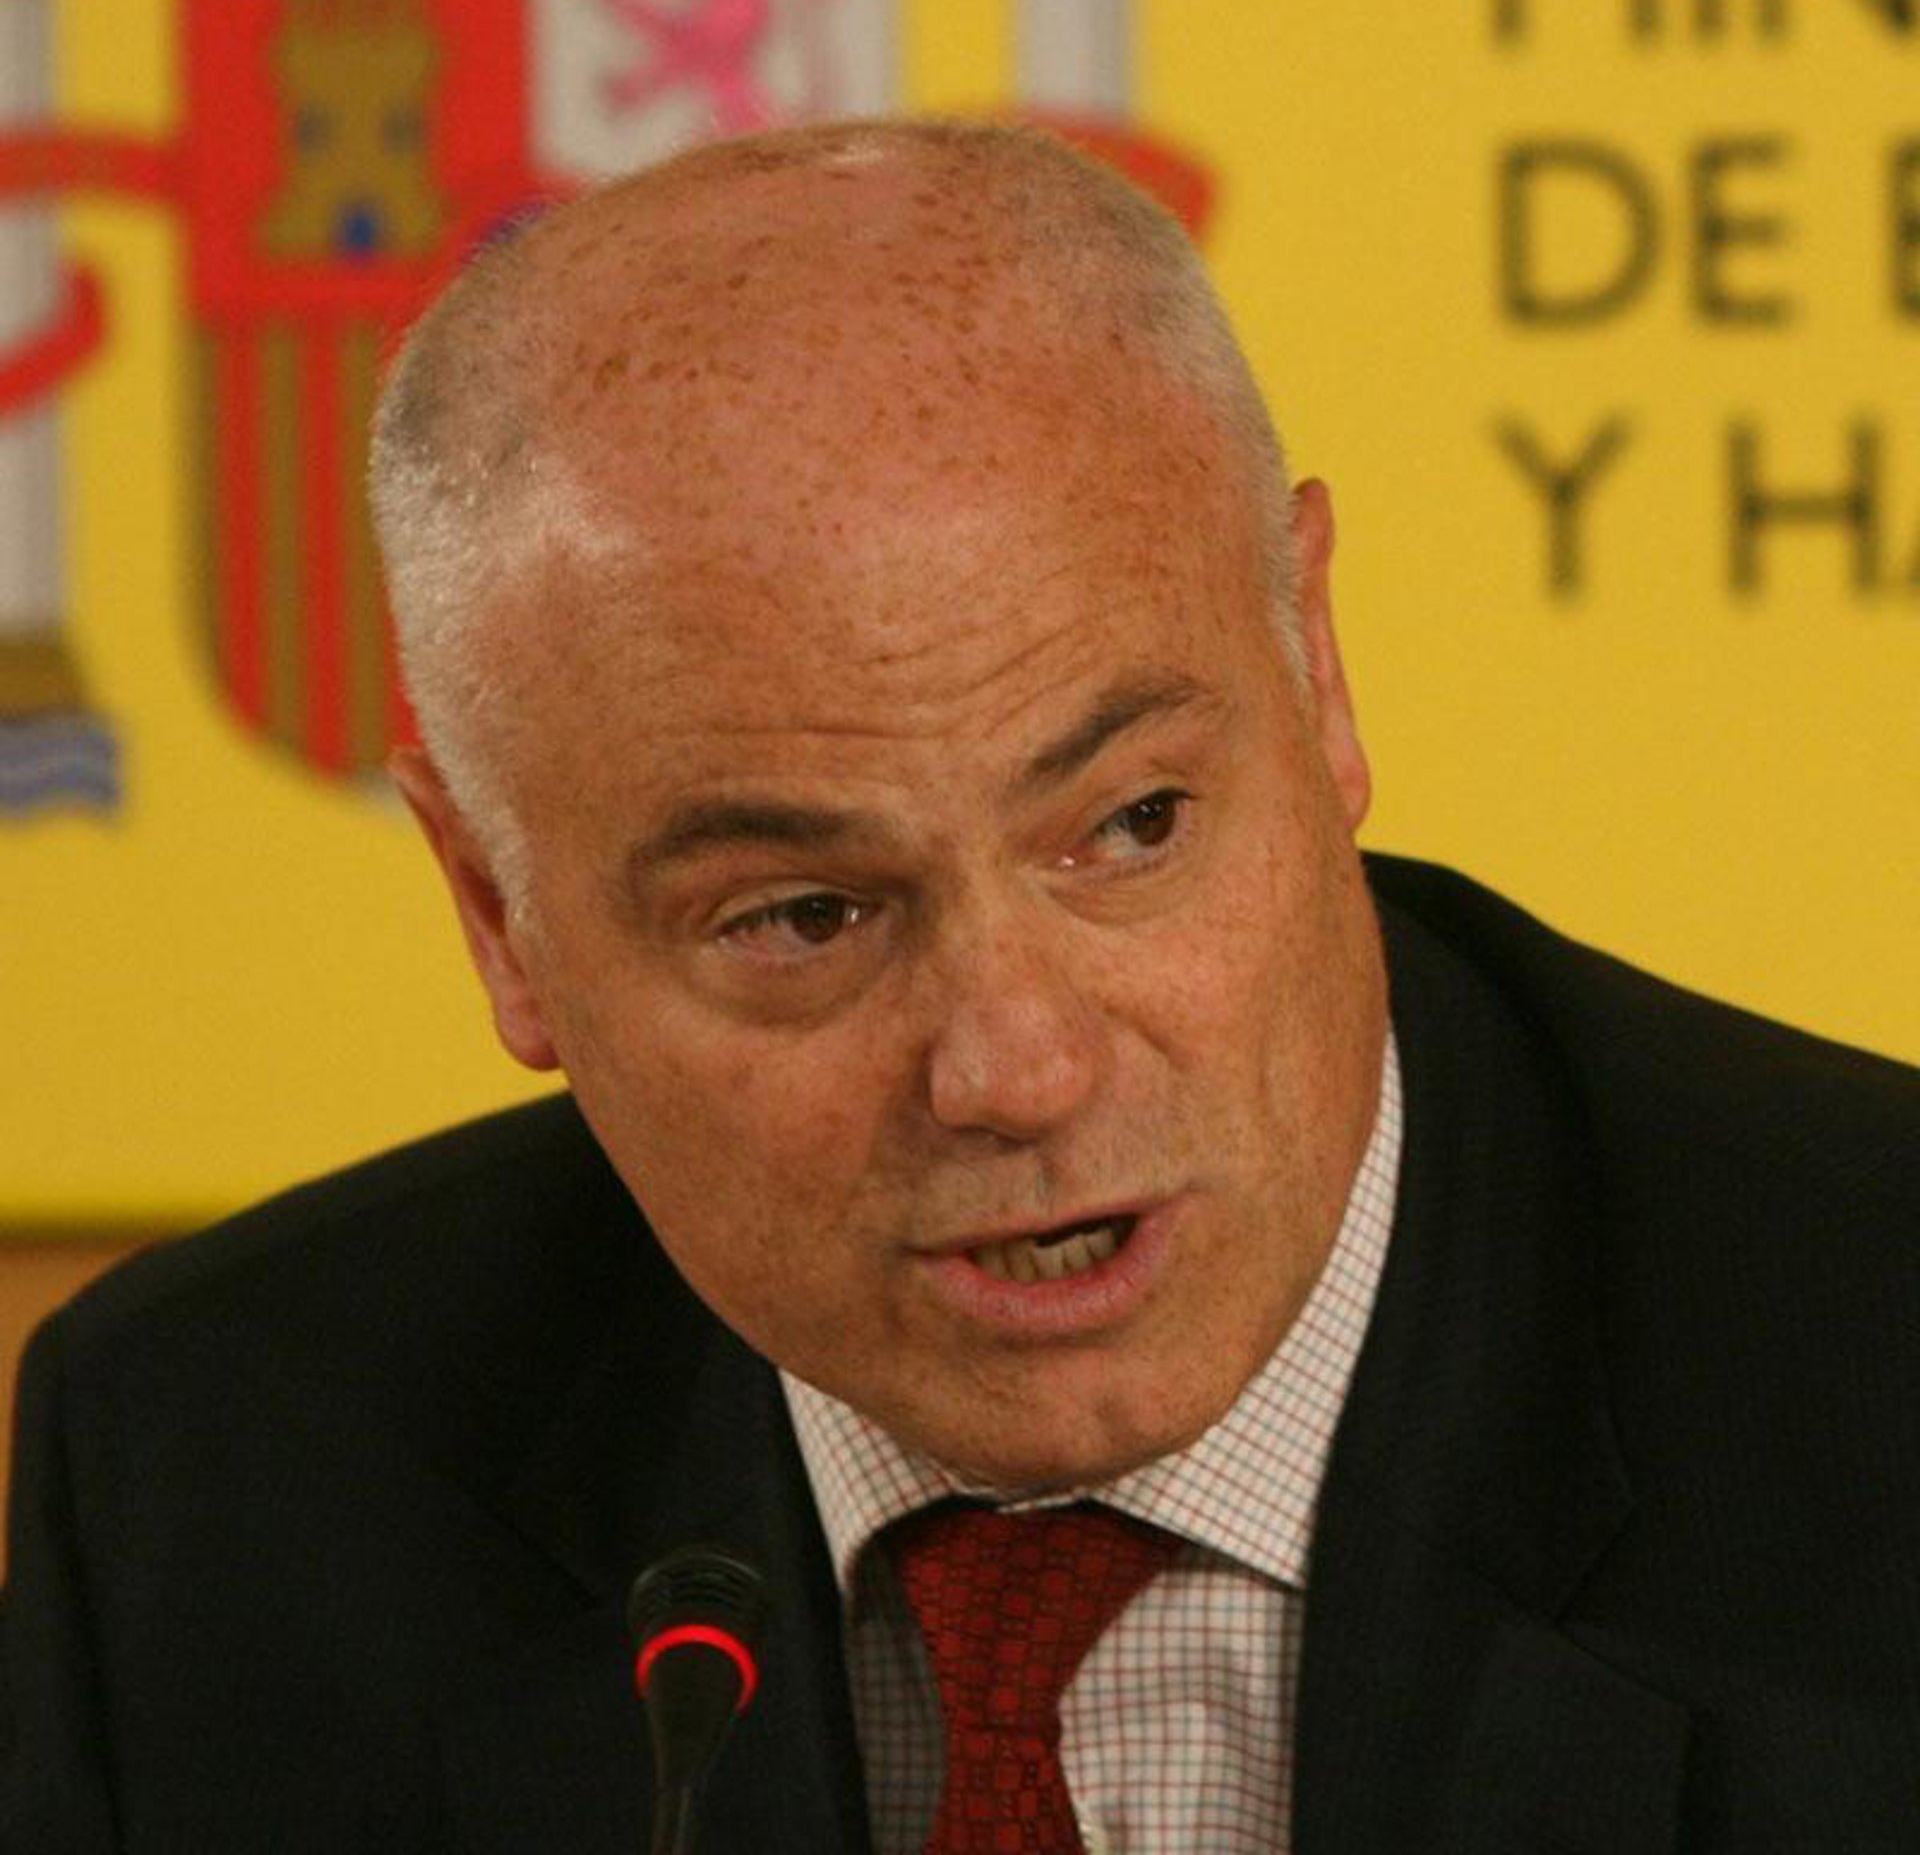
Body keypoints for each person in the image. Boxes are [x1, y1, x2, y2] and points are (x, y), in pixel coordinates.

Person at [3, 120, 1916, 1855]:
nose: (1018, 1066)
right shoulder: (221, 1490)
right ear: (499, 916)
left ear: (1317, 677)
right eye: (803, 920)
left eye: (1134, 824)